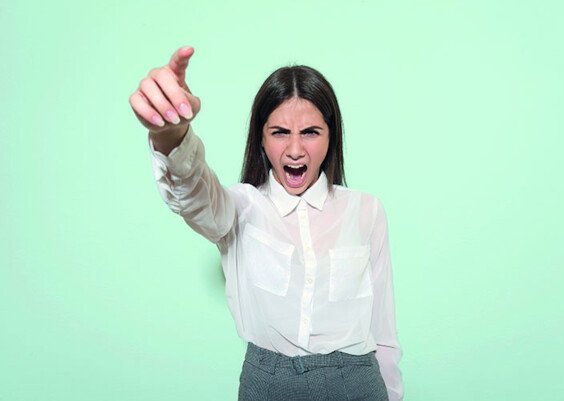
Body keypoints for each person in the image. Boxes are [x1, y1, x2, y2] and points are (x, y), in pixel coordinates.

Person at [129, 46, 404, 401]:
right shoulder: (242, 208)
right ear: (260, 138)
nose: (294, 150)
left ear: (331, 135)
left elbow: (383, 331)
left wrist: (394, 394)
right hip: (268, 384)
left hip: (356, 384)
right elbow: (194, 195)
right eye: (278, 132)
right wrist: (172, 136)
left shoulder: (366, 210)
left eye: (310, 132)